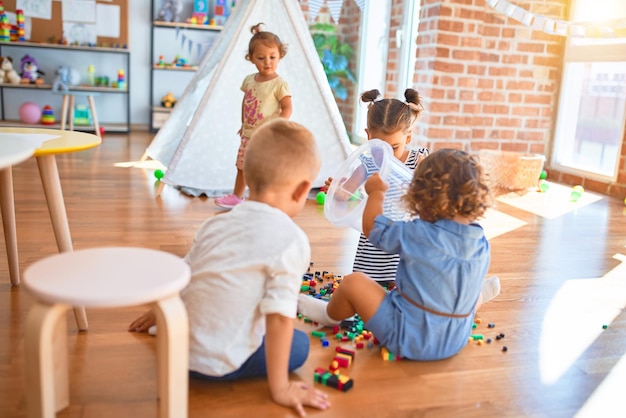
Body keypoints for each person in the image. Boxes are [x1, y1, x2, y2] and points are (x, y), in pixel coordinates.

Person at [129, 119, 330, 417]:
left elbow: (185, 275)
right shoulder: (292, 240)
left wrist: (157, 312)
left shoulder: (216, 224)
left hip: (176, 350)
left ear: (246, 175)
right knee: (299, 344)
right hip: (218, 366)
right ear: (302, 191)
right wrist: (281, 388)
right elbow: (279, 319)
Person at [299, 148, 501, 361]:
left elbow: (373, 229)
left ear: (428, 200)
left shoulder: (419, 234)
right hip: (455, 338)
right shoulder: (480, 241)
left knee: (354, 283)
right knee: (460, 286)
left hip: (407, 336)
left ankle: (328, 315)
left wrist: (376, 194)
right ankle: (477, 296)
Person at [325, 88, 429, 288]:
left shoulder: (418, 161)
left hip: (404, 236)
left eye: (394, 147)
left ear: (408, 139)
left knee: (401, 284)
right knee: (366, 283)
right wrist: (335, 189)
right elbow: (344, 195)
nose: (386, 155)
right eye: (379, 146)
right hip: (374, 237)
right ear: (367, 135)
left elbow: (432, 195)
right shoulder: (368, 163)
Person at [215, 22, 292, 209]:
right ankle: (237, 196)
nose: (267, 62)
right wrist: (243, 124)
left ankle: (268, 199)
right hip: (248, 134)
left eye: (272, 57)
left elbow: (287, 108)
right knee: (241, 166)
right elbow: (247, 102)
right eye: (261, 57)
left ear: (280, 56)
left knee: (265, 169)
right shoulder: (249, 80)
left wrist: (277, 127)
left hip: (267, 136)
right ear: (251, 59)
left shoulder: (279, 84)